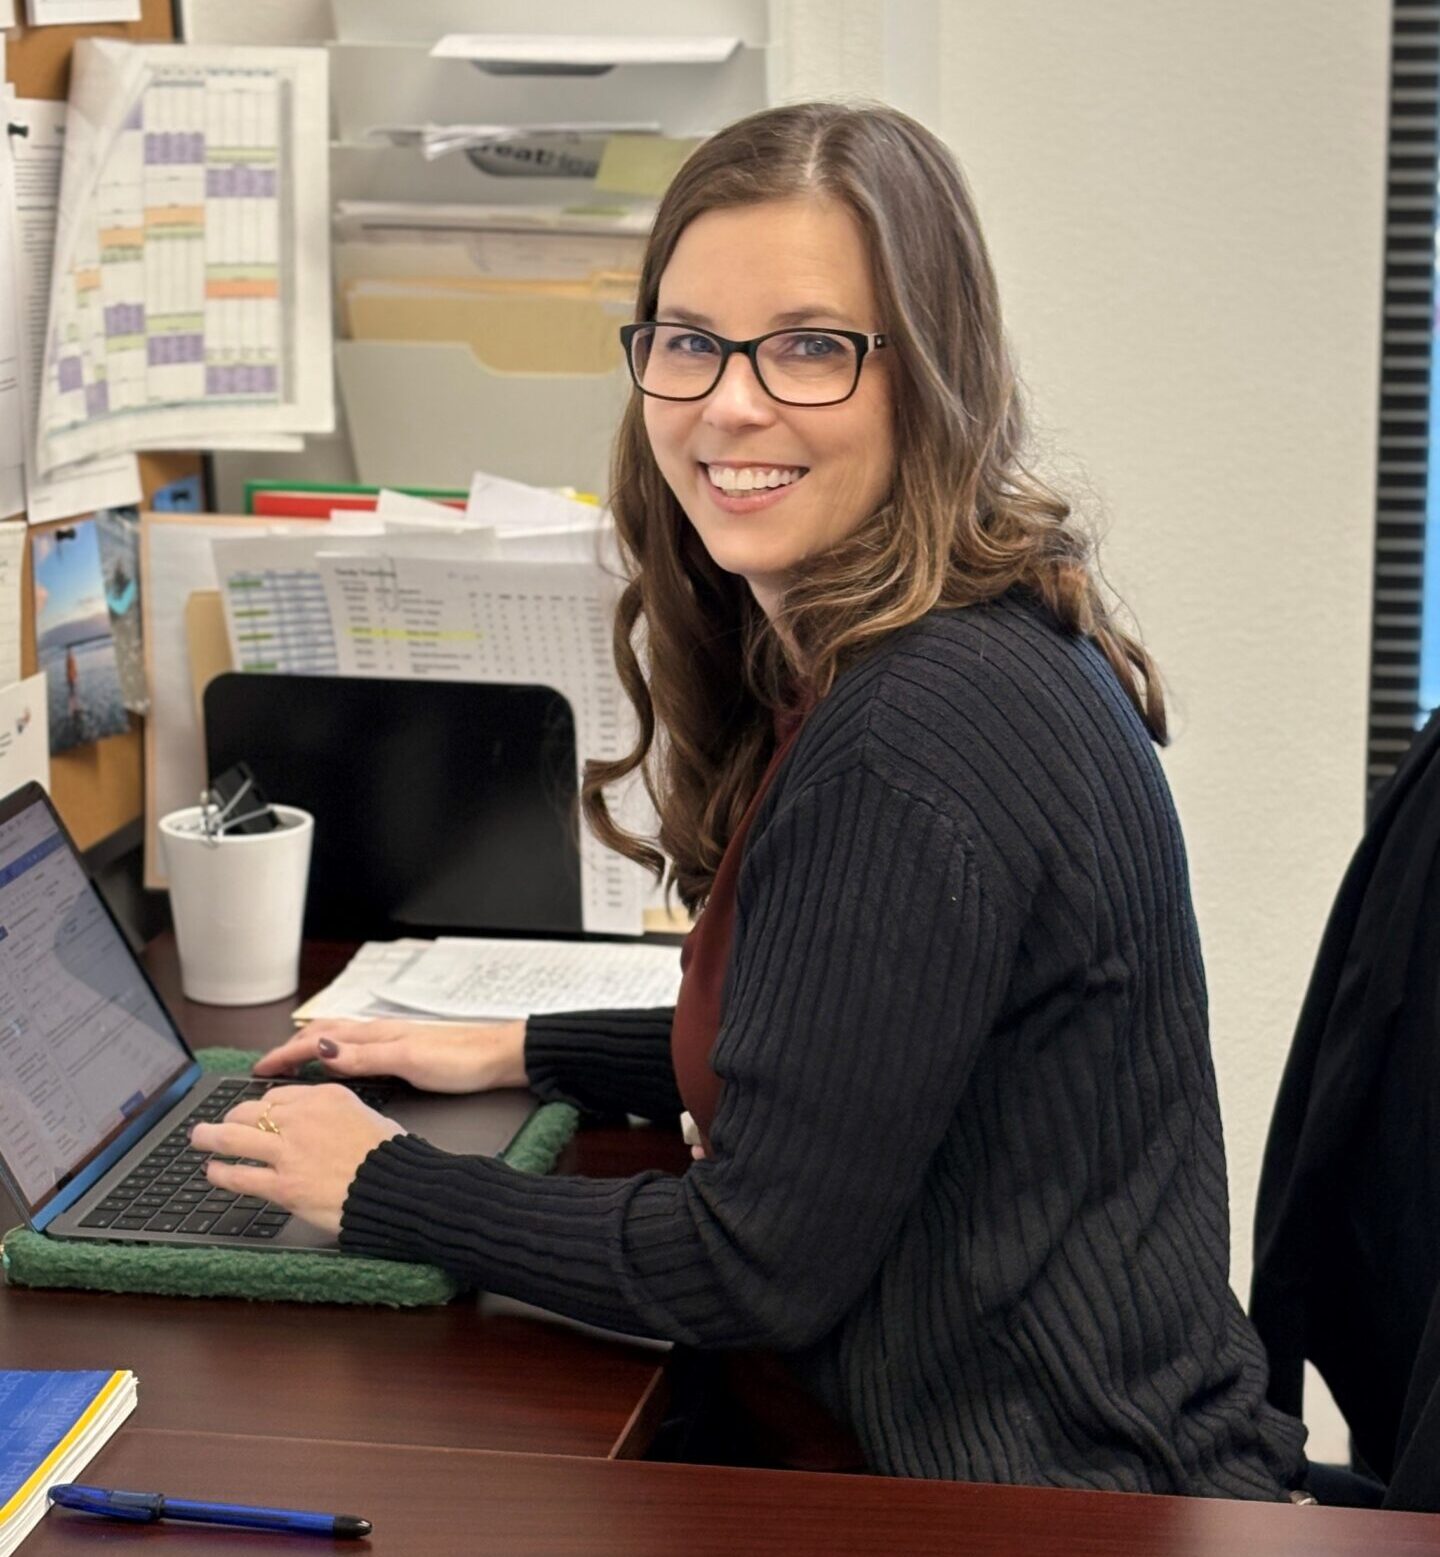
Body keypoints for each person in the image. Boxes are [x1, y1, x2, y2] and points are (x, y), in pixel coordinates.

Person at [192, 101, 1308, 1497]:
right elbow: (848, 1058)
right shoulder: (941, 640)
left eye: (809, 347)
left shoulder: (916, 738)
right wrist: (519, 1048)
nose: (730, 400)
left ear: (929, 374)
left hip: (1024, 1493)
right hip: (1041, 1439)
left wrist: (380, 1183)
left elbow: (749, 1264)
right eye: (688, 340)